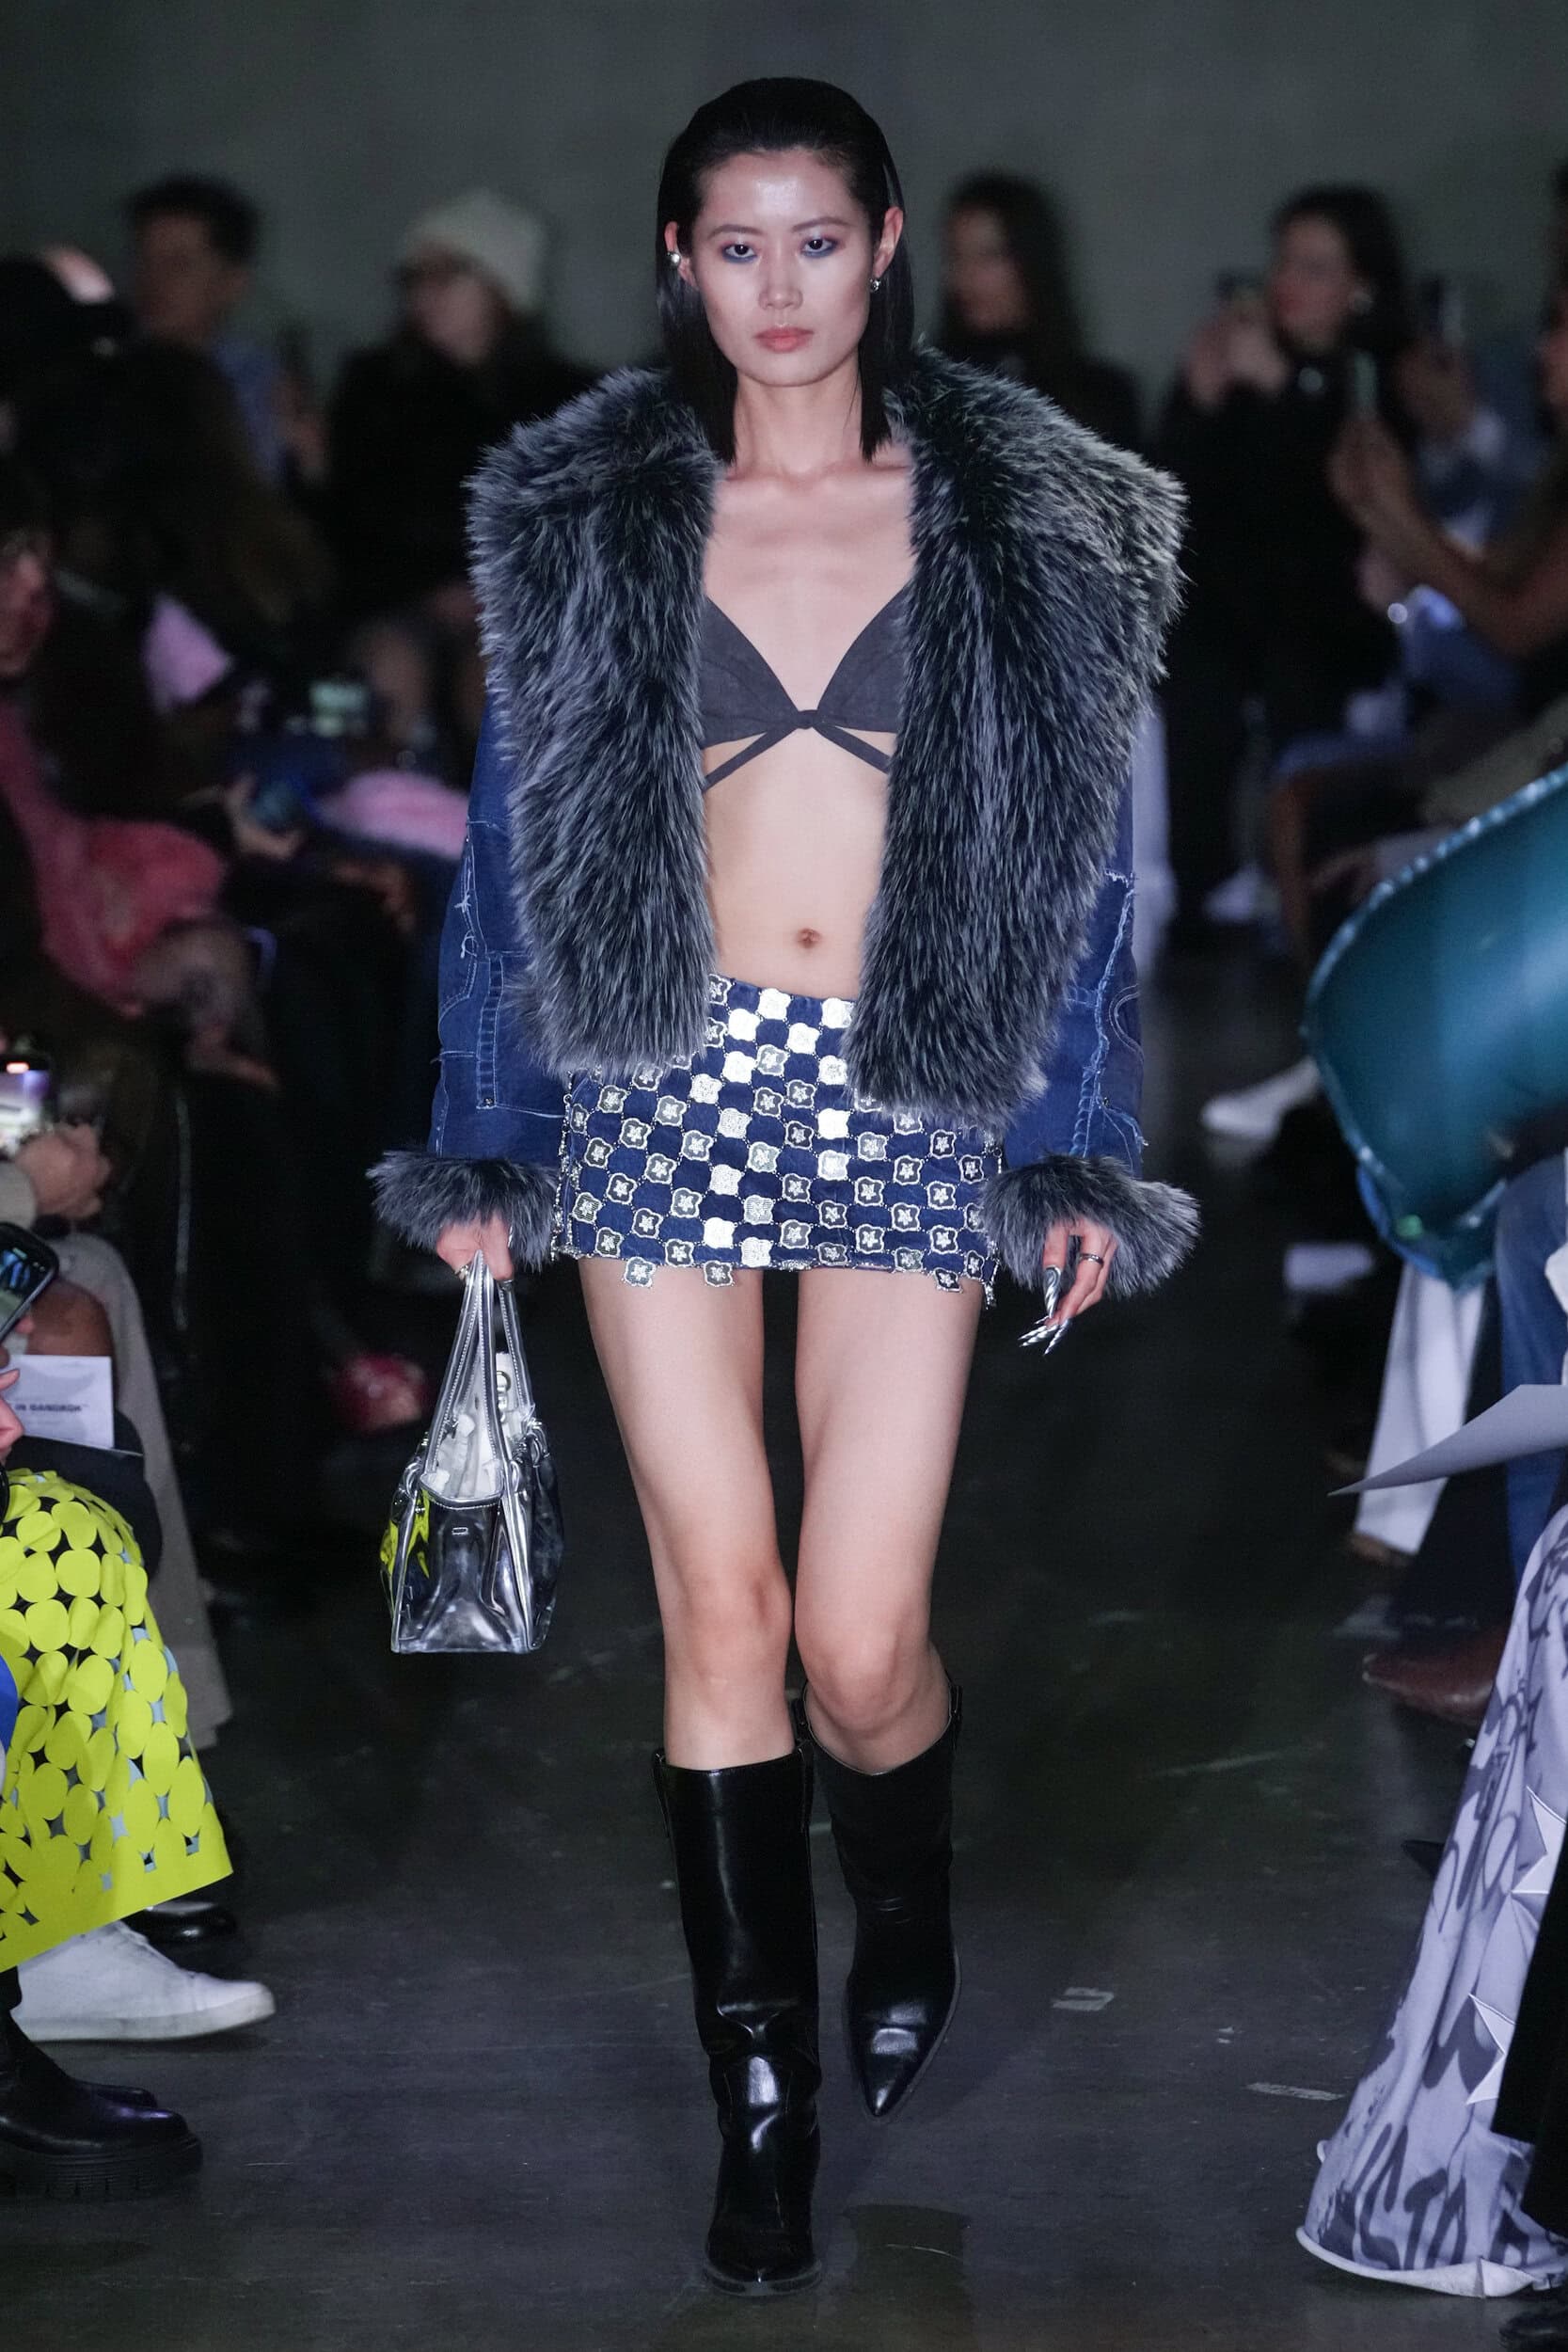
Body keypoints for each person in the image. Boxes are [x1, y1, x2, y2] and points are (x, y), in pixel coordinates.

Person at [374, 77, 1196, 2296]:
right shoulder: (598, 519)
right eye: (732, 247)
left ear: (884, 242)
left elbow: (1072, 875)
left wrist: (1073, 1149)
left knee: (855, 1640)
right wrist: (488, 1141)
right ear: (676, 261)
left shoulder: (1012, 519)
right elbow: (513, 855)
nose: (776, 287)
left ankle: (900, 1886)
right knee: (720, 1607)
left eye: (815, 241)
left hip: (912, 1089)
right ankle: (763, 2101)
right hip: (657, 1082)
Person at [1157, 185, 1415, 934]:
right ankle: (1202, 888)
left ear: (1359, 286)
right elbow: (1172, 494)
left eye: (1314, 268)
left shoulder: (1378, 377)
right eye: (1283, 263)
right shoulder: (1237, 359)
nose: (1287, 284)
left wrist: (1282, 387)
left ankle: (1306, 885)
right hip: (1231, 600)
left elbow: (1345, 499)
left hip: (1336, 607)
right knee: (1191, 666)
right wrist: (1199, 401)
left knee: (1298, 668)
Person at [325, 188, 591, 759]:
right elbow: (356, 520)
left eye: (447, 275)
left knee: (500, 681)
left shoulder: (567, 402)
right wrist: (430, 589)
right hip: (401, 601)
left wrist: (493, 590)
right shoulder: (376, 392)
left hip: (517, 611)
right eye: (415, 277)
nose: (425, 294)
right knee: (387, 671)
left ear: (503, 287)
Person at [937, 171, 1140, 448]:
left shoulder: (1101, 398)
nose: (965, 275)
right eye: (956, 255)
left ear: (1030, 261)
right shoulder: (920, 392)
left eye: (989, 255)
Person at [127, 173, 300, 485]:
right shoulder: (109, 368)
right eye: (145, 260)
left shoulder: (257, 383)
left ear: (232, 283)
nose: (154, 281)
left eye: (179, 265)